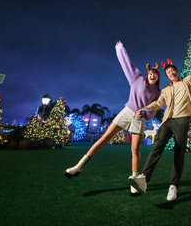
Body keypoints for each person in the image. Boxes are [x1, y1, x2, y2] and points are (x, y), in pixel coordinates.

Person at [64, 41, 161, 195]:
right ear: (147, 73)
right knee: (104, 138)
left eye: (155, 74)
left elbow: (152, 112)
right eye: (151, 73)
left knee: (135, 150)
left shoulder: (157, 92)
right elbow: (127, 64)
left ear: (157, 77)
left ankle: (134, 180)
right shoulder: (137, 78)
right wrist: (120, 49)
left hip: (139, 119)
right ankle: (79, 166)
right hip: (127, 112)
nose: (152, 76)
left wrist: (143, 113)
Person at [128, 57, 191, 200]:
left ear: (177, 72)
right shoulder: (166, 90)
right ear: (167, 76)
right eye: (168, 72)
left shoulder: (188, 81)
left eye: (173, 70)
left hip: (182, 120)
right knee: (158, 146)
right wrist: (144, 108)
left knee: (179, 152)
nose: (171, 73)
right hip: (167, 121)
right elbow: (158, 104)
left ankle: (173, 187)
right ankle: (143, 178)